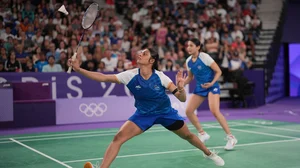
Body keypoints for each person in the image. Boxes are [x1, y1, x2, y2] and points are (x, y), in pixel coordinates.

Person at [68, 48, 225, 168]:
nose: (139, 54)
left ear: (152, 60)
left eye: (144, 53)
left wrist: (181, 87)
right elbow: (103, 77)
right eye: (140, 53)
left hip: (165, 113)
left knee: (189, 136)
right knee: (118, 138)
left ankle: (209, 153)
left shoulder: (161, 77)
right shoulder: (130, 75)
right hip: (143, 115)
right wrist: (80, 70)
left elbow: (182, 98)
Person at [183, 38, 238, 150]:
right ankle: (202, 133)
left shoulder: (205, 57)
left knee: (214, 111)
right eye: (188, 45)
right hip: (200, 87)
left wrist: (212, 83)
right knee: (188, 111)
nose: (188, 47)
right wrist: (182, 83)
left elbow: (218, 71)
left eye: (191, 45)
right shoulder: (188, 61)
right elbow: (190, 77)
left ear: (198, 47)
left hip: (212, 86)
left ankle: (231, 137)